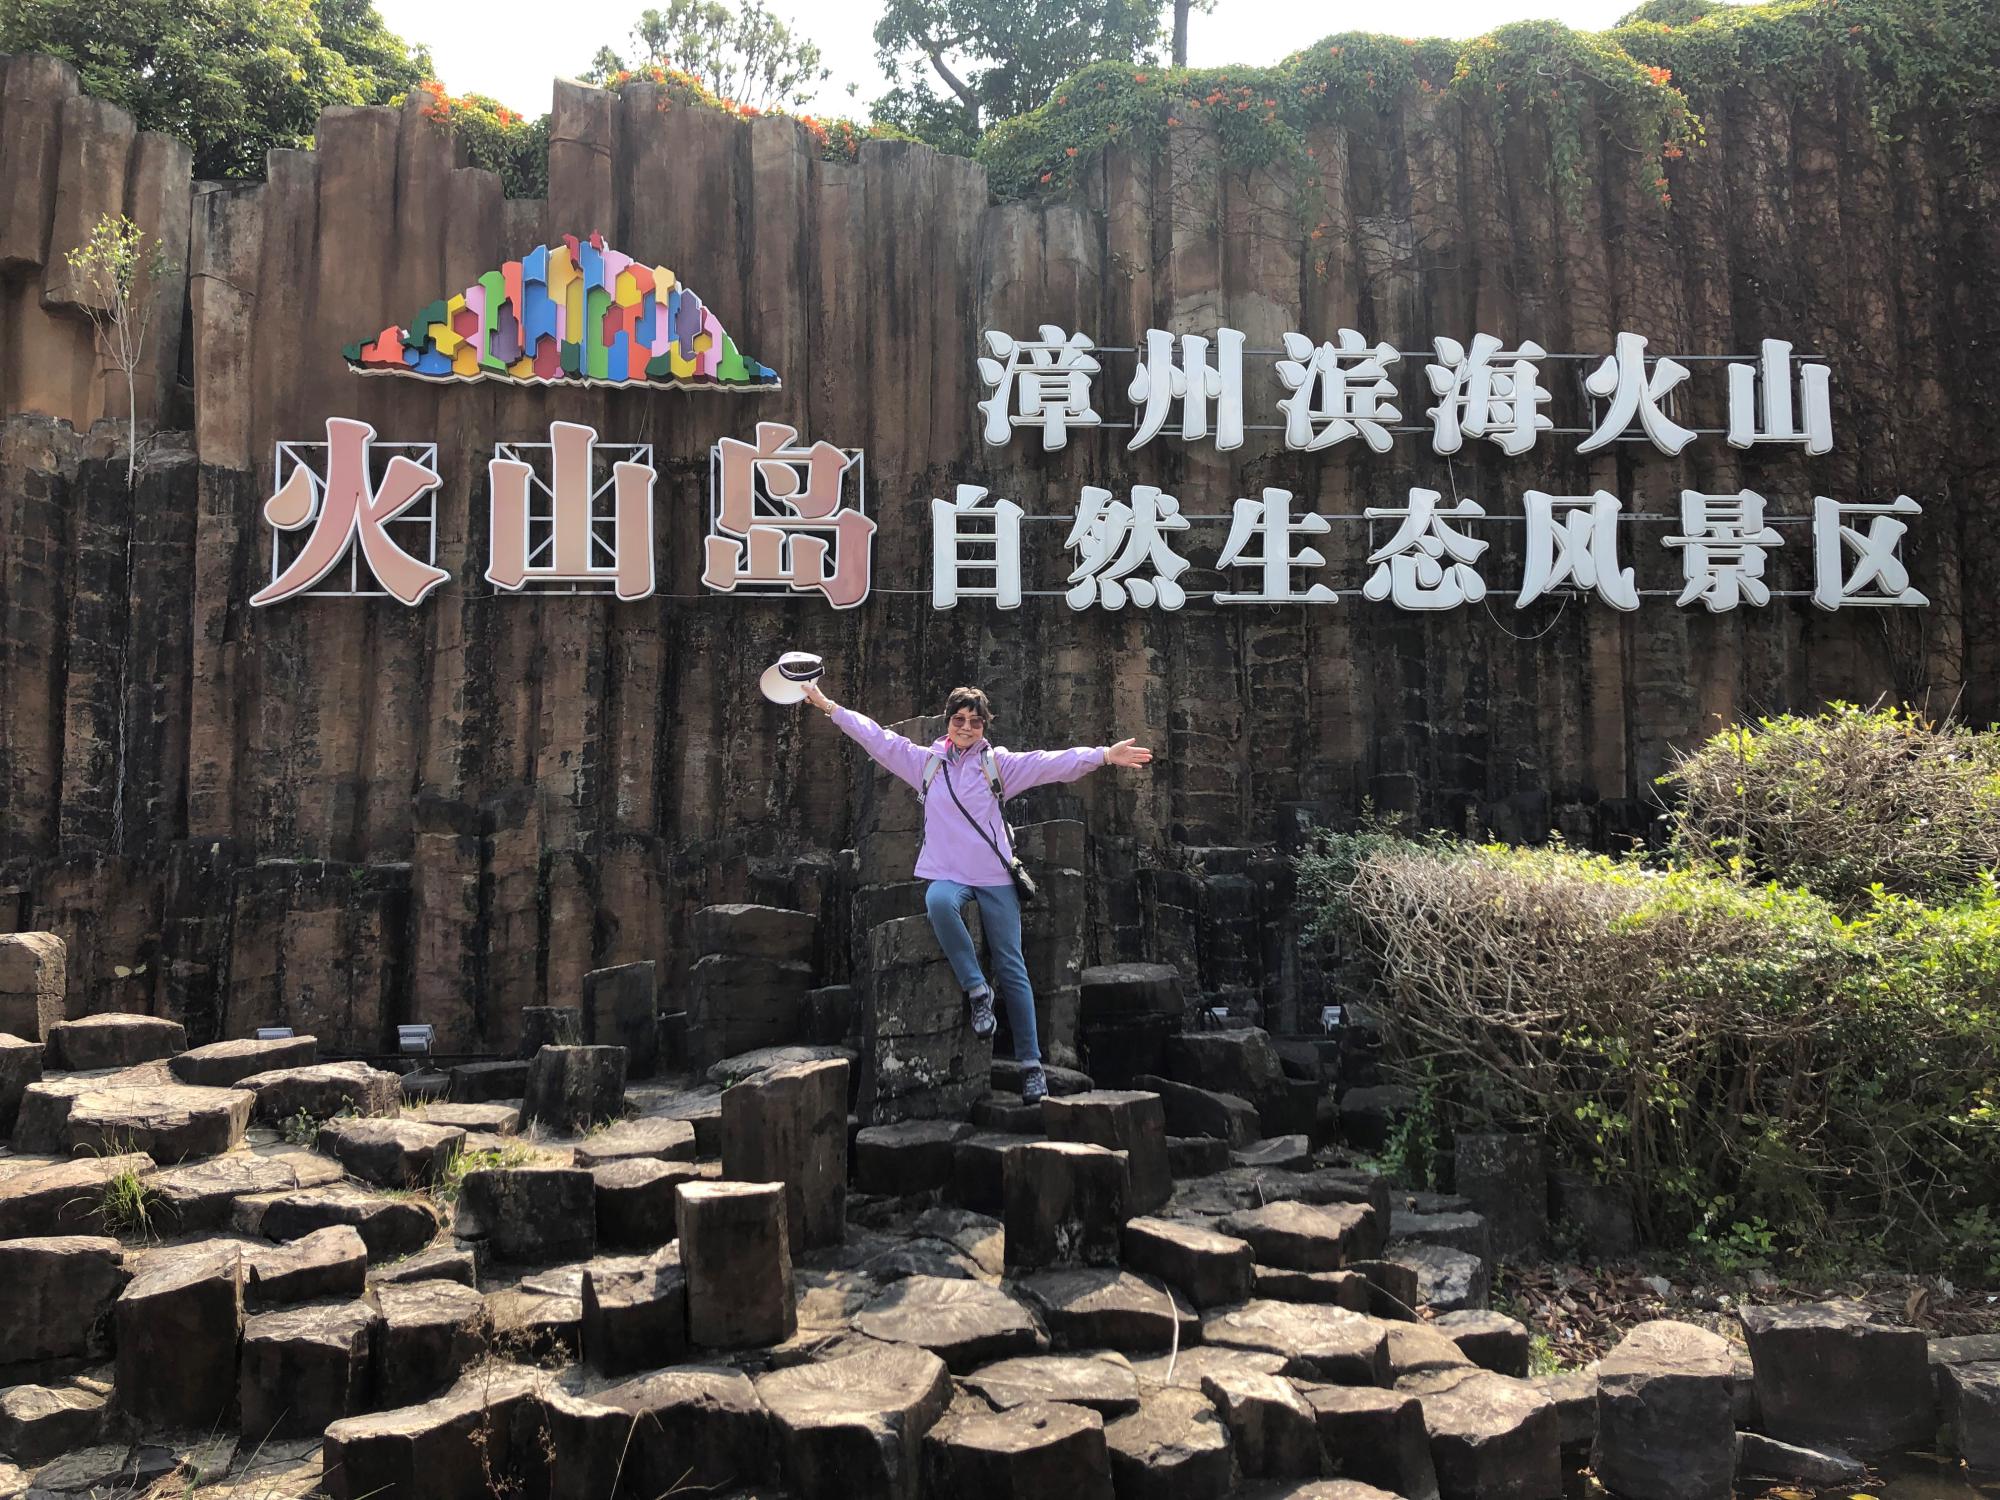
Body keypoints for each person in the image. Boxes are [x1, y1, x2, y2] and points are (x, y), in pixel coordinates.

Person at [801, 680, 1153, 1102]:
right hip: (949, 872)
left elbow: (1050, 763)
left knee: (1012, 966)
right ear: (948, 722)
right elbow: (876, 737)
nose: (966, 727)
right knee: (937, 902)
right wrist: (828, 705)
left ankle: (1031, 1066)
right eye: (959, 719)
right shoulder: (925, 764)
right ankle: (977, 990)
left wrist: (1104, 756)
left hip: (994, 875)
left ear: (985, 726)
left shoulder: (996, 765)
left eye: (974, 721)